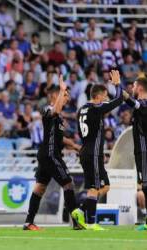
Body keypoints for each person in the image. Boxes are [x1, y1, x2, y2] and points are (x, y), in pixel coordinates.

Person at [23, 76, 85, 231]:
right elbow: (55, 110)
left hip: (47, 155)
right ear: (55, 96)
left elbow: (61, 138)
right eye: (65, 95)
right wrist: (61, 90)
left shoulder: (59, 119)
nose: (67, 98)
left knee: (39, 189)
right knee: (68, 182)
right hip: (50, 155)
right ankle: (76, 221)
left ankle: (28, 222)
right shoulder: (48, 109)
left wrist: (76, 146)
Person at [77, 70, 123, 231]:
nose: (106, 99)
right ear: (97, 96)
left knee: (105, 186)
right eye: (104, 96)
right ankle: (90, 222)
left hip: (86, 151)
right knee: (94, 188)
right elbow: (119, 99)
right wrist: (117, 85)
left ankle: (81, 211)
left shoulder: (82, 109)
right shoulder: (96, 108)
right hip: (92, 153)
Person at [123, 77, 147, 231]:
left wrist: (118, 86)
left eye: (134, 85)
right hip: (141, 150)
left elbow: (131, 102)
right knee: (144, 185)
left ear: (139, 88)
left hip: (144, 150)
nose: (132, 88)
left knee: (145, 185)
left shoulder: (144, 103)